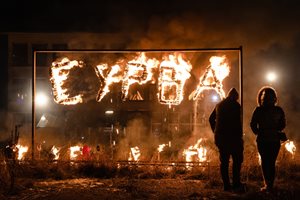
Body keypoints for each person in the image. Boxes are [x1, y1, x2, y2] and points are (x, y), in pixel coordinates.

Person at [250, 86, 286, 192]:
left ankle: (267, 184)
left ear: (262, 98)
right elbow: (282, 125)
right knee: (271, 162)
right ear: (274, 98)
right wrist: (275, 130)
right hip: (274, 140)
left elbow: (252, 124)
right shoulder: (278, 110)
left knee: (265, 162)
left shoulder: (258, 110)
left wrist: (259, 132)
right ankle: (270, 185)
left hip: (263, 139)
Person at [209, 88, 244, 192]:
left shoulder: (219, 105)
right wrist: (240, 137)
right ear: (235, 97)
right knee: (237, 160)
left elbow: (211, 119)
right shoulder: (236, 106)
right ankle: (236, 183)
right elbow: (237, 123)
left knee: (224, 162)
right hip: (233, 138)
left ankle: (226, 185)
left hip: (221, 138)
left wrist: (215, 131)